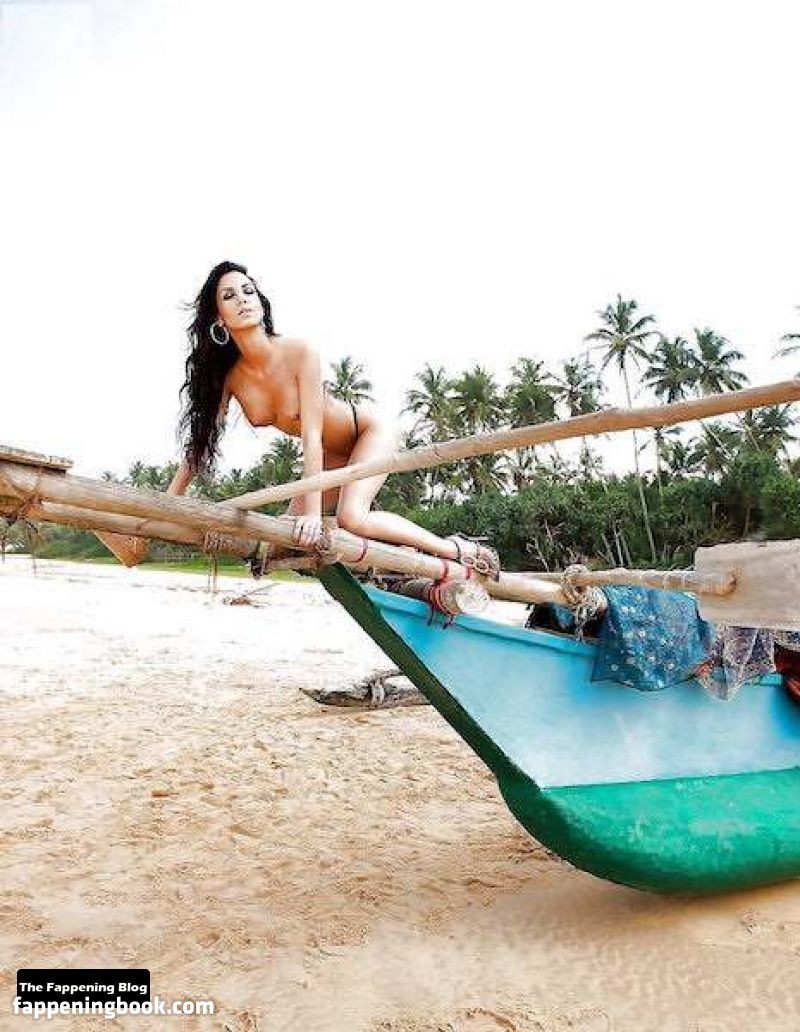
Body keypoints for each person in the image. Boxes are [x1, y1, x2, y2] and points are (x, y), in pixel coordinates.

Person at [110, 260, 499, 575]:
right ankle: (395, 561)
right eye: (229, 296)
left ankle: (457, 549)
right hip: (330, 458)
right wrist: (163, 507)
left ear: (261, 302)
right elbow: (199, 449)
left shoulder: (300, 352)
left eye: (248, 290)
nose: (242, 299)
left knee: (351, 517)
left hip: (364, 434)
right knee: (282, 535)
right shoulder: (230, 379)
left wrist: (312, 514)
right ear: (219, 320)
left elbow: (311, 437)